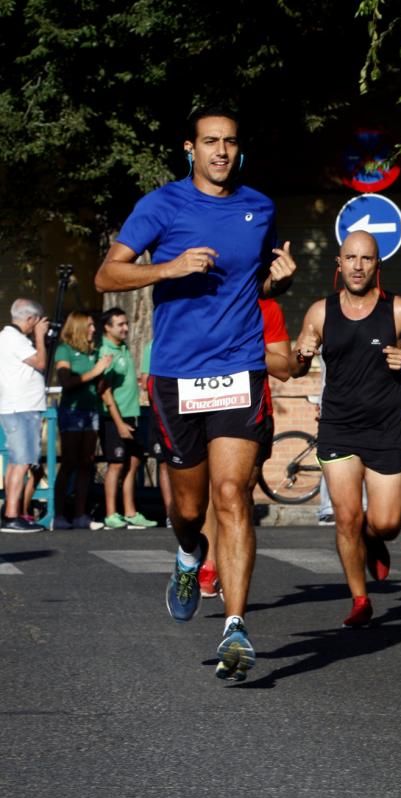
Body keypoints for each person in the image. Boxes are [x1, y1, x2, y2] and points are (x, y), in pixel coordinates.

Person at [95, 104, 297, 682]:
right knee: (188, 508)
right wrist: (170, 268)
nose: (221, 152)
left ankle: (235, 624)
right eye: (210, 142)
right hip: (177, 374)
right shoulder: (161, 205)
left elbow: (249, 279)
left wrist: (274, 280)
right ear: (191, 147)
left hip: (238, 368)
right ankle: (188, 554)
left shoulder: (259, 208)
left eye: (230, 142)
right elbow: (108, 275)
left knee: (232, 493)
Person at [290, 230, 401, 627]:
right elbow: (299, 362)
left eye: (366, 259)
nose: (358, 266)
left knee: (385, 523)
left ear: (377, 265)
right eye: (350, 258)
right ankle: (360, 599)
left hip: (385, 430)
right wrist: (301, 356)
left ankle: (373, 540)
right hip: (338, 427)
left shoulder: (399, 310)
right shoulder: (320, 312)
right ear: (339, 263)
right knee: (347, 517)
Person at [197, 297, 294, 599]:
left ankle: (228, 564)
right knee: (216, 490)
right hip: (203, 406)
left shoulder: (268, 307)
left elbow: (284, 368)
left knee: (237, 492)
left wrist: (245, 351)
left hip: (253, 410)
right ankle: (207, 559)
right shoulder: (202, 300)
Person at [97, 307, 156, 529]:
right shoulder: (106, 351)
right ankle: (111, 513)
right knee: (116, 464)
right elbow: (104, 390)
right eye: (120, 324)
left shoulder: (123, 348)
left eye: (126, 323)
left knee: (133, 463)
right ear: (108, 327)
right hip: (114, 418)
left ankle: (130, 511)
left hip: (132, 414)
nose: (125, 328)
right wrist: (119, 423)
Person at [54, 311, 111, 529]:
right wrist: (94, 372)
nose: (93, 330)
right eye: (89, 326)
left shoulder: (92, 352)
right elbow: (66, 381)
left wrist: (103, 373)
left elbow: (97, 382)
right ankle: (59, 514)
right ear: (78, 327)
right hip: (73, 411)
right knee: (69, 461)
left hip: (91, 409)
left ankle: (80, 514)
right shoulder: (64, 350)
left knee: (87, 461)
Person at [0, 298, 50, 533]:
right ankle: (12, 515)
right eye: (36, 322)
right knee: (21, 463)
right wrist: (40, 336)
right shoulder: (16, 339)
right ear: (30, 319)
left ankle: (9, 511)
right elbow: (41, 362)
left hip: (14, 406)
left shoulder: (6, 337)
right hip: (23, 407)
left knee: (14, 462)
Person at [138, 339, 174, 527]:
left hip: (184, 411)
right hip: (161, 412)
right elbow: (145, 382)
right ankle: (171, 514)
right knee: (164, 462)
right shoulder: (152, 345)